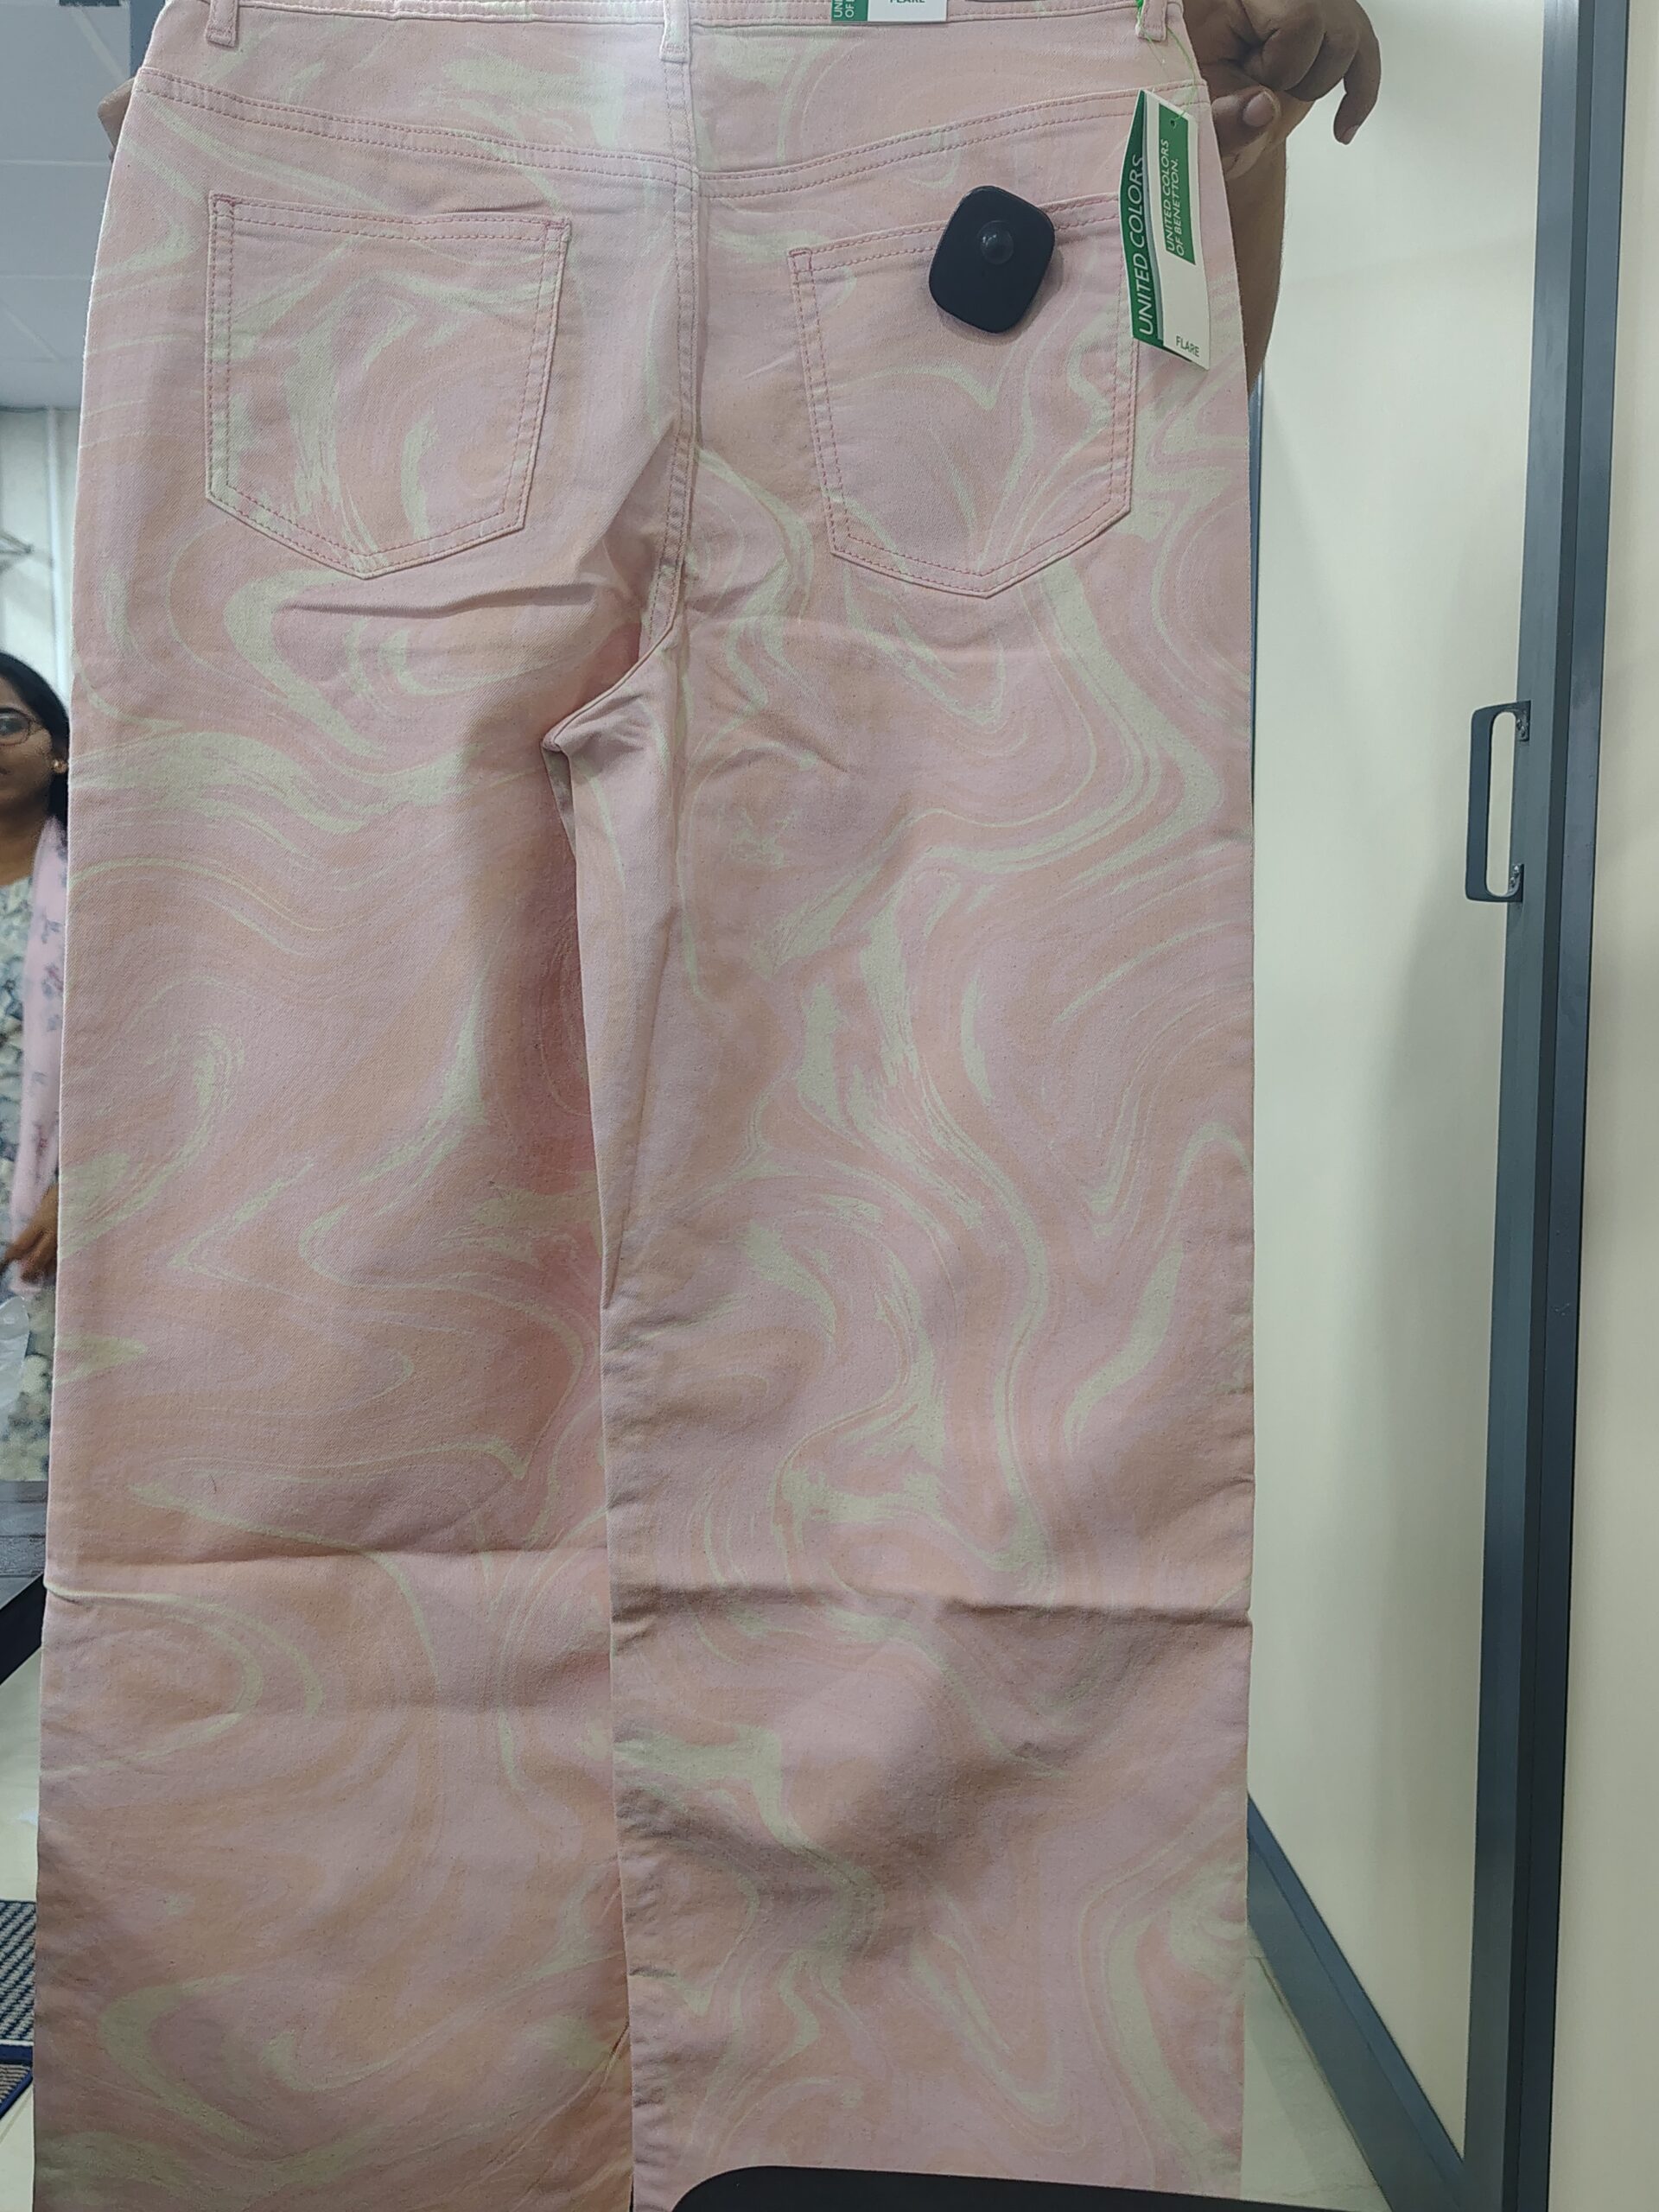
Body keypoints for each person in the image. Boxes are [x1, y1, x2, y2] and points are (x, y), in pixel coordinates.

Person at [0, 655, 68, 1481]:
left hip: (53, 1208)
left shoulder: (108, 885)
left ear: (58, 749)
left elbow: (145, 1056)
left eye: (5, 723)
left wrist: (81, 1186)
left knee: (39, 1467)